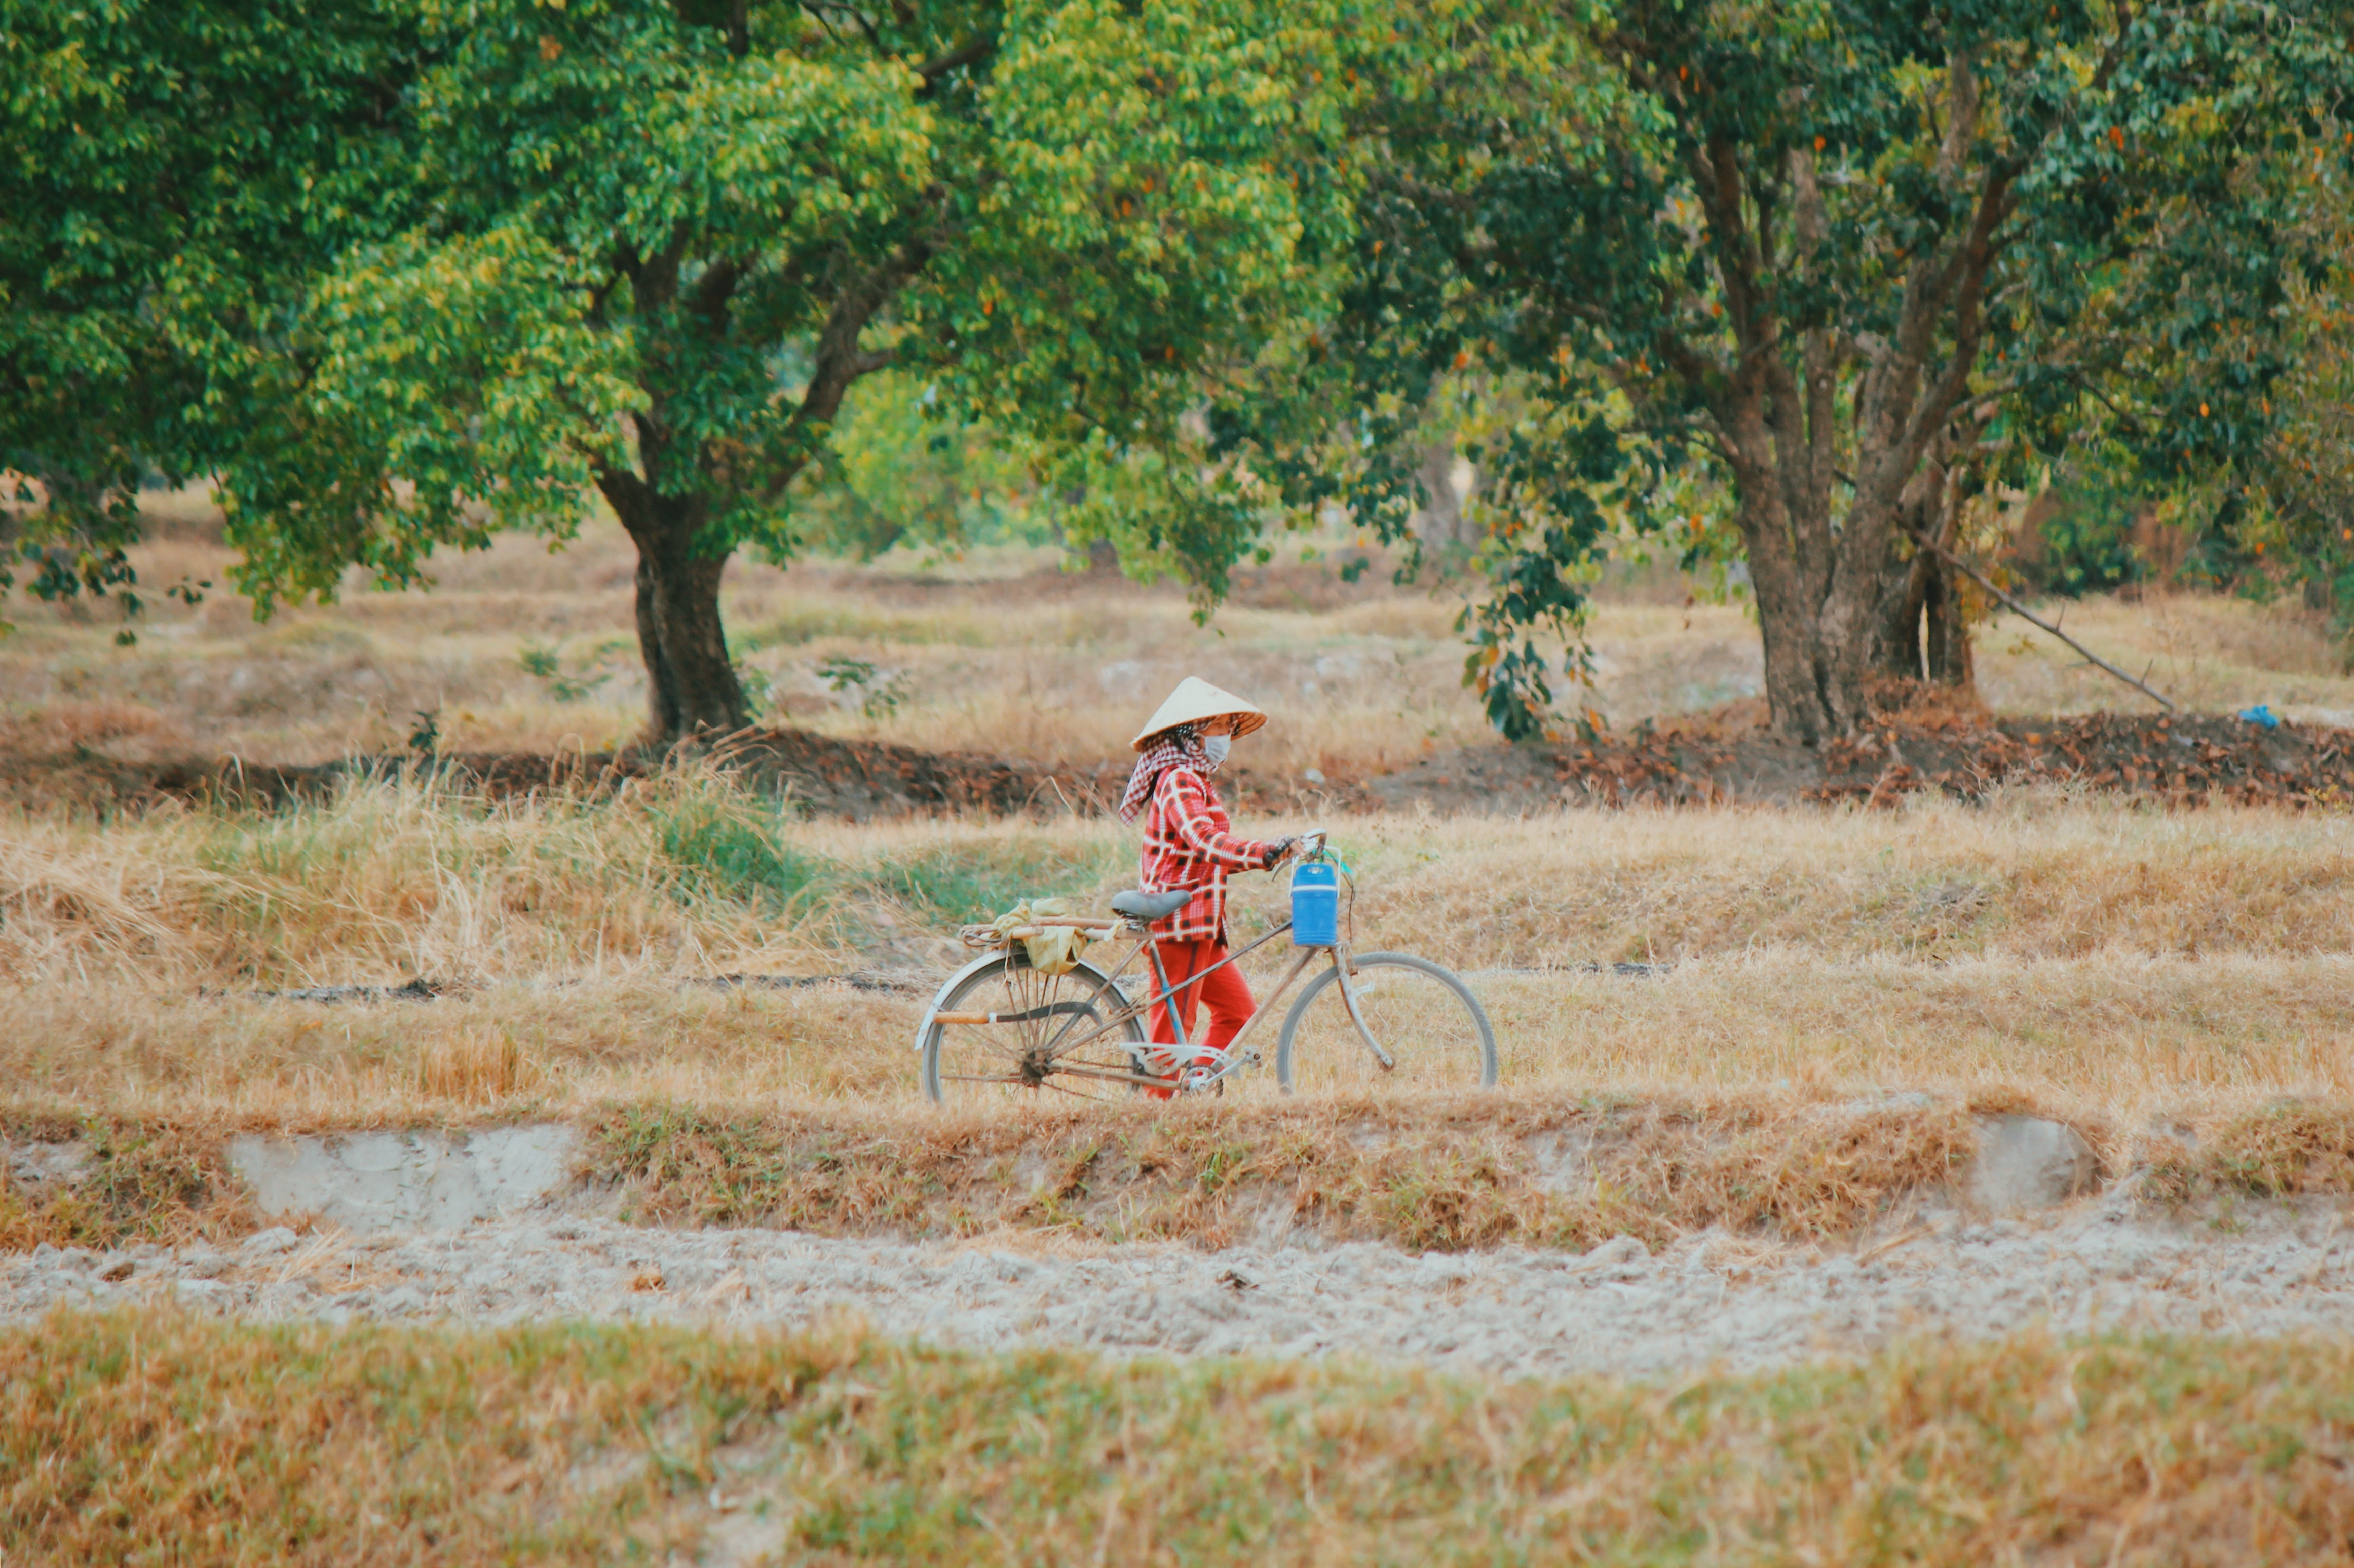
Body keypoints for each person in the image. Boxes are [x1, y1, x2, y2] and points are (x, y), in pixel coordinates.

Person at [1117, 677, 1297, 1095]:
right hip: (1181, 922)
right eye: (1219, 727)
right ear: (1191, 733)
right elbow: (1204, 841)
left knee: (1237, 1013)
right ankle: (1157, 1117)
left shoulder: (1196, 780)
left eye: (1229, 728)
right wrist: (1264, 851)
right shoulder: (1179, 779)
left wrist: (1271, 853)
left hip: (1203, 926)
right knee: (1171, 1036)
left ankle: (1193, 1088)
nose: (1226, 738)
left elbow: (1203, 856)